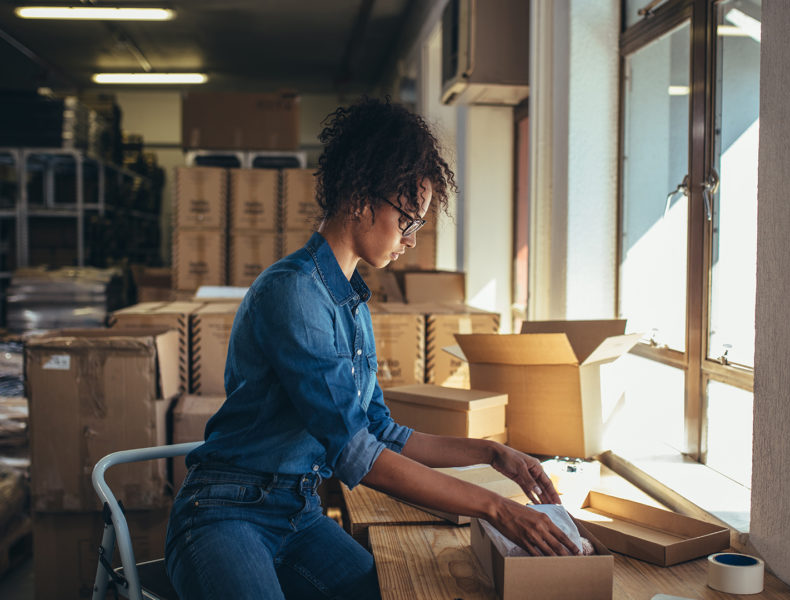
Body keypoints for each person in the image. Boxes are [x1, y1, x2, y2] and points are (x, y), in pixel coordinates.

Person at [164, 97, 578, 600]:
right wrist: (494, 507)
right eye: (407, 220)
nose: (410, 240)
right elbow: (355, 453)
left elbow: (380, 430)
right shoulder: (293, 293)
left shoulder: (353, 303)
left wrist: (492, 454)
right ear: (361, 198)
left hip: (298, 515)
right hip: (225, 513)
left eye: (418, 225)